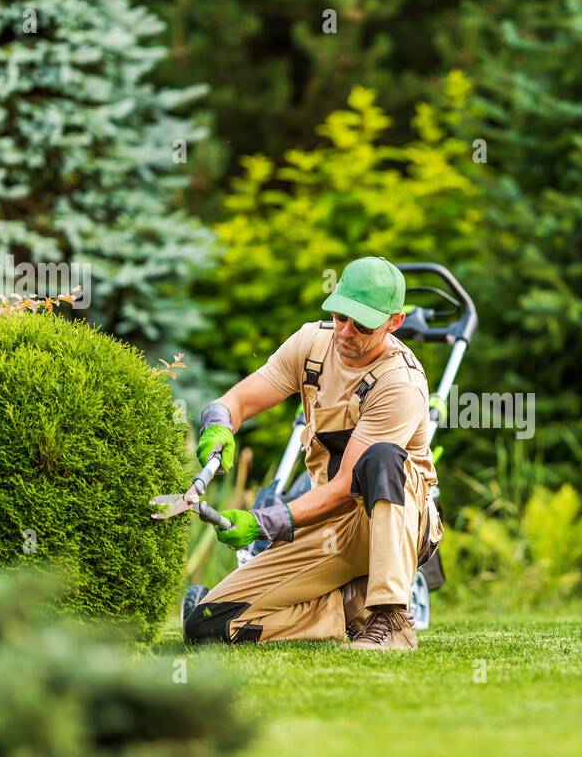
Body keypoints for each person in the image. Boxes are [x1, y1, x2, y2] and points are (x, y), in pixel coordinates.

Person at [184, 256, 442, 650]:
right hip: (327, 526)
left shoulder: (400, 383)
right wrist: (218, 422)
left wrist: (262, 522)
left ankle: (392, 618)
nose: (346, 331)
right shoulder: (311, 344)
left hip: (391, 522)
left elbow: (343, 488)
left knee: (383, 458)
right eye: (341, 316)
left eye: (362, 324)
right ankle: (345, 606)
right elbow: (239, 399)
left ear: (394, 323)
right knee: (205, 625)